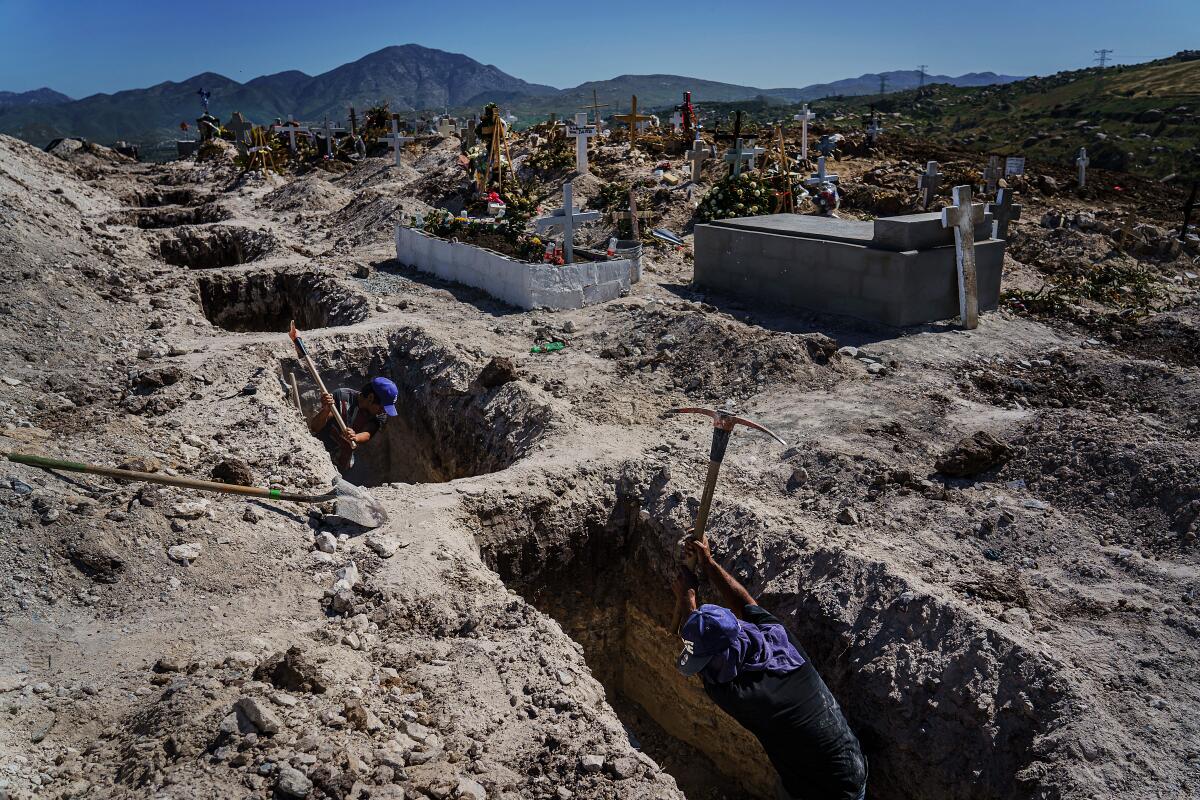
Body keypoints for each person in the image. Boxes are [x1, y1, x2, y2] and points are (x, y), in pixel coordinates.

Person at [671, 539, 867, 800]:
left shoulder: (739, 695)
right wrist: (709, 564)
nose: (706, 667)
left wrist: (686, 597)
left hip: (828, 790)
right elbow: (745, 602)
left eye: (708, 661)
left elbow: (701, 650)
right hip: (849, 761)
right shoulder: (778, 639)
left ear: (721, 658)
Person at [308, 377, 399, 471]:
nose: (384, 411)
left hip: (341, 463)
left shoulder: (379, 415)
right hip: (317, 456)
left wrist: (355, 437)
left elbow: (368, 433)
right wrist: (326, 410)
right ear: (371, 398)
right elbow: (315, 427)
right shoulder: (341, 397)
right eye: (382, 407)